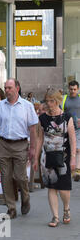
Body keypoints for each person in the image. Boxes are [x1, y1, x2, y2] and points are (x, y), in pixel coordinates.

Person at [0, 79, 39, 219]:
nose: (7, 90)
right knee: (5, 177)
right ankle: (11, 208)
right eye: (5, 88)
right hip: (3, 144)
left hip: (20, 144)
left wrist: (33, 148)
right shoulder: (0, 106)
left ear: (17, 88)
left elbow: (33, 129)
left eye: (10, 88)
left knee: (20, 176)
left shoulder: (27, 106)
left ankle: (25, 198)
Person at [37, 89, 76, 227]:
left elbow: (72, 139)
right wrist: (36, 157)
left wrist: (73, 159)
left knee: (63, 188)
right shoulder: (42, 118)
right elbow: (40, 139)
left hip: (64, 156)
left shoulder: (67, 117)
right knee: (51, 187)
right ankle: (55, 217)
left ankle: (66, 208)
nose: (49, 104)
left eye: (52, 101)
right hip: (48, 156)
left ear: (58, 101)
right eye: (47, 101)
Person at [62, 80, 80, 181]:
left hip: (78, 128)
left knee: (77, 149)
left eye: (74, 89)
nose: (73, 91)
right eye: (71, 89)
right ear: (68, 89)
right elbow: (61, 111)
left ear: (78, 89)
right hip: (67, 127)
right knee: (68, 148)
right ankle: (70, 169)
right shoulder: (64, 99)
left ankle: (77, 170)